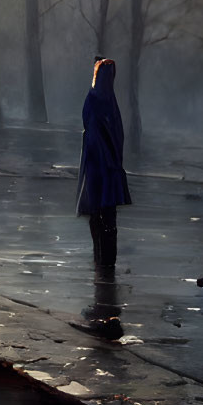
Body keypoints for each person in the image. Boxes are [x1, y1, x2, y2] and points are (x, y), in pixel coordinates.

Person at [75, 58, 131, 276]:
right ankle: (104, 259)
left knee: (100, 214)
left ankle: (103, 259)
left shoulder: (96, 100)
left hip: (99, 165)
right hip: (103, 166)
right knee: (104, 214)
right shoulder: (105, 102)